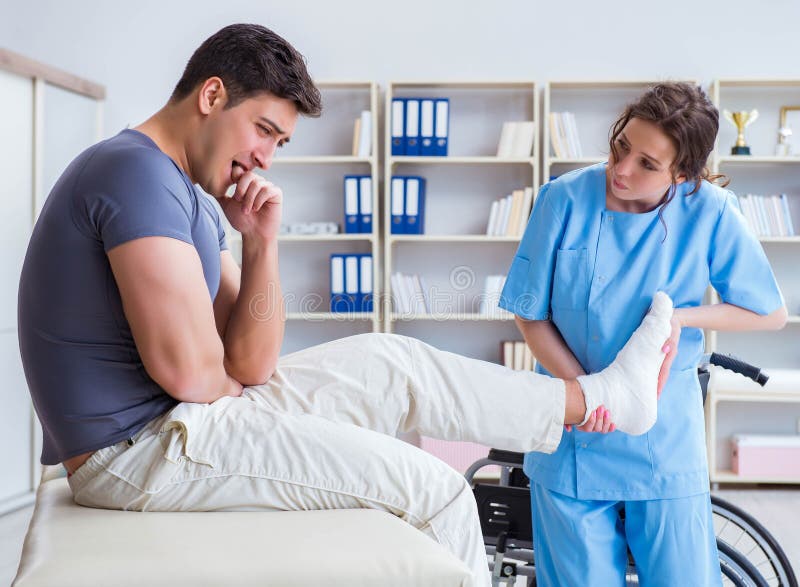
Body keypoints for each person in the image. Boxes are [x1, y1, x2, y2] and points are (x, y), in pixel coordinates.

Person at [18, 23, 672, 585]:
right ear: (212, 95)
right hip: (137, 453)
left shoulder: (182, 194)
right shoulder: (132, 173)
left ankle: (597, 399)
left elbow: (253, 363)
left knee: (398, 361)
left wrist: (260, 244)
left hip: (179, 424)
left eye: (279, 144)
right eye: (264, 130)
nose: (265, 158)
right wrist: (219, 377)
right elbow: (191, 374)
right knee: (436, 489)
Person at [499, 82, 788, 586]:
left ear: (682, 173)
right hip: (572, 435)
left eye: (647, 164)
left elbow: (768, 312)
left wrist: (684, 317)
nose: (622, 169)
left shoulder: (711, 211)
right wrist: (585, 395)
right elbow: (530, 313)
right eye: (620, 146)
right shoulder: (562, 198)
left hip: (665, 444)